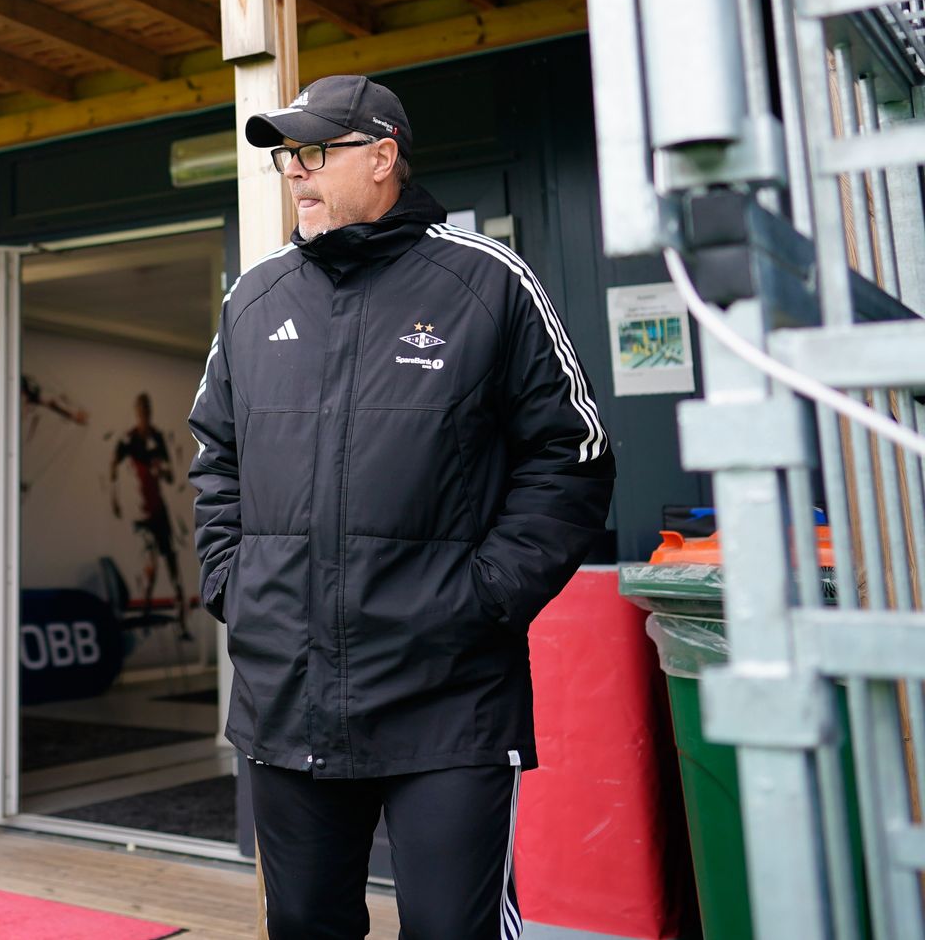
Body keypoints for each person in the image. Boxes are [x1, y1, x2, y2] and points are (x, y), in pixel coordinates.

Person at [188, 75, 613, 940]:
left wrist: (482, 596)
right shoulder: (254, 300)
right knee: (305, 923)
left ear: (383, 157)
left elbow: (573, 454)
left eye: (313, 152)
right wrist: (238, 583)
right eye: (284, 158)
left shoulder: (487, 282)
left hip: (447, 696)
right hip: (288, 691)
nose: (294, 174)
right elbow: (213, 457)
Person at [109, 392, 191, 641]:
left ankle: (182, 624)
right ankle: (144, 614)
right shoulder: (128, 439)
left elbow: (169, 475)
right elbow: (113, 464)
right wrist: (114, 496)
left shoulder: (157, 438)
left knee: (173, 567)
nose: (145, 415)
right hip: (140, 513)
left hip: (159, 511)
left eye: (148, 411)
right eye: (141, 411)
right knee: (150, 566)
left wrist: (162, 469)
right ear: (137, 412)